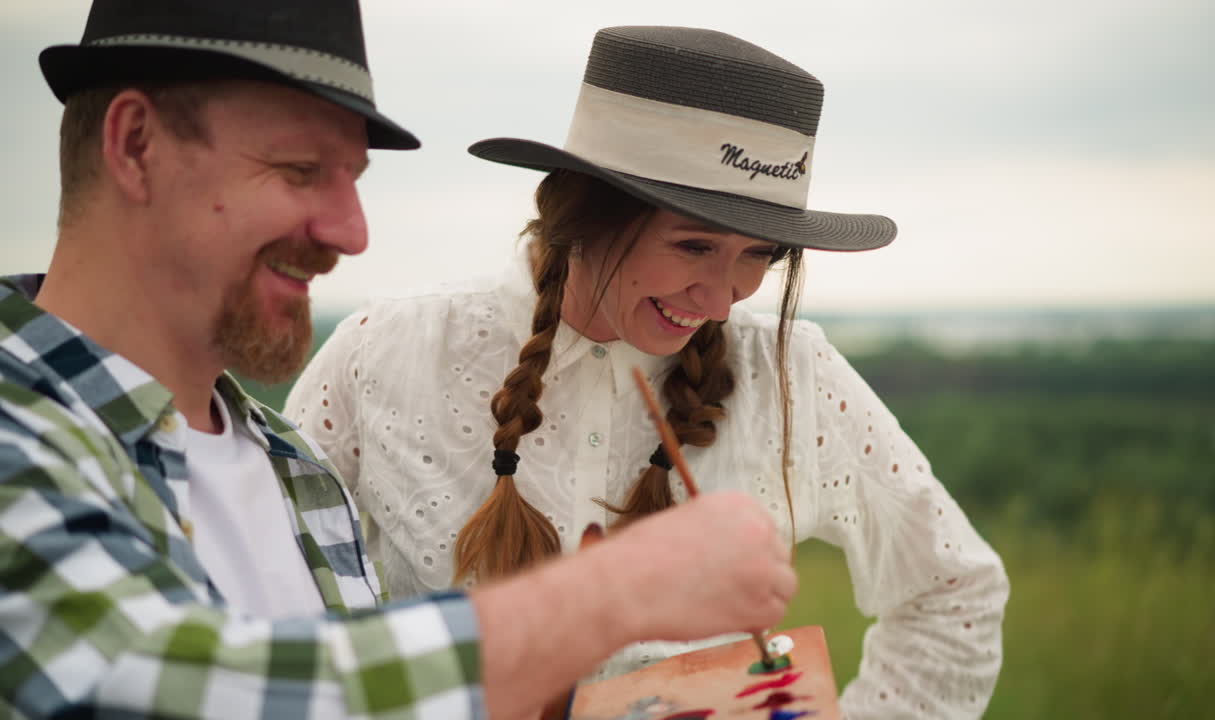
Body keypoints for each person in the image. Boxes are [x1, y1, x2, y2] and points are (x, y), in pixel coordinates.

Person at [0, 4, 797, 719]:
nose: (353, 233)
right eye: (300, 170)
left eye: (353, 179)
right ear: (135, 145)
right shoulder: (16, 435)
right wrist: (616, 592)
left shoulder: (290, 467)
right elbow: (161, 685)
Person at [287, 25, 1011, 719]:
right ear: (582, 213)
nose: (723, 299)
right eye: (694, 246)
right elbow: (271, 616)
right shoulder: (386, 352)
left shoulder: (793, 374)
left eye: (760, 255)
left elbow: (955, 591)